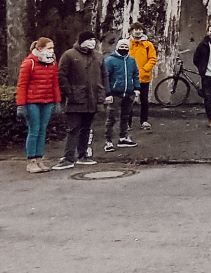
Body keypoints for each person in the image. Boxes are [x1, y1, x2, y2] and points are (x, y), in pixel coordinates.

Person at [54, 30, 109, 170]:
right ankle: (68, 158)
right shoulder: (69, 55)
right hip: (75, 99)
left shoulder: (98, 56)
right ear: (81, 41)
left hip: (93, 98)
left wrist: (105, 94)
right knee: (73, 129)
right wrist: (69, 93)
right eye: (89, 40)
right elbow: (61, 75)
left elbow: (104, 76)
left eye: (94, 40)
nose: (92, 42)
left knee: (86, 128)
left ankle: (83, 155)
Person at [15, 36, 62, 173]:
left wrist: (57, 101)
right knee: (34, 130)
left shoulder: (52, 63)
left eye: (52, 48)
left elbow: (54, 84)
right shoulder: (29, 62)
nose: (51, 51)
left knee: (42, 130)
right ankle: (31, 161)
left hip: (47, 101)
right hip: (32, 102)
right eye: (49, 48)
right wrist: (21, 105)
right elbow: (22, 85)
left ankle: (39, 159)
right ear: (40, 48)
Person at [103, 38, 140, 152]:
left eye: (126, 47)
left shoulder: (132, 60)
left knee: (126, 116)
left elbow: (135, 75)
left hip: (129, 93)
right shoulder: (109, 60)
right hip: (115, 94)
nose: (124, 48)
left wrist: (137, 89)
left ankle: (123, 138)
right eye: (122, 46)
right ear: (117, 47)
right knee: (112, 118)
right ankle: (108, 141)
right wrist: (108, 92)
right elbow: (105, 77)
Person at [128, 24, 157, 130]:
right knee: (128, 101)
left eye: (140, 29)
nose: (138, 31)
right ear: (131, 31)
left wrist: (144, 69)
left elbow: (152, 58)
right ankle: (127, 123)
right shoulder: (127, 43)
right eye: (136, 29)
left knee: (144, 100)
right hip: (130, 77)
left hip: (144, 77)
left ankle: (144, 121)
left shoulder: (148, 45)